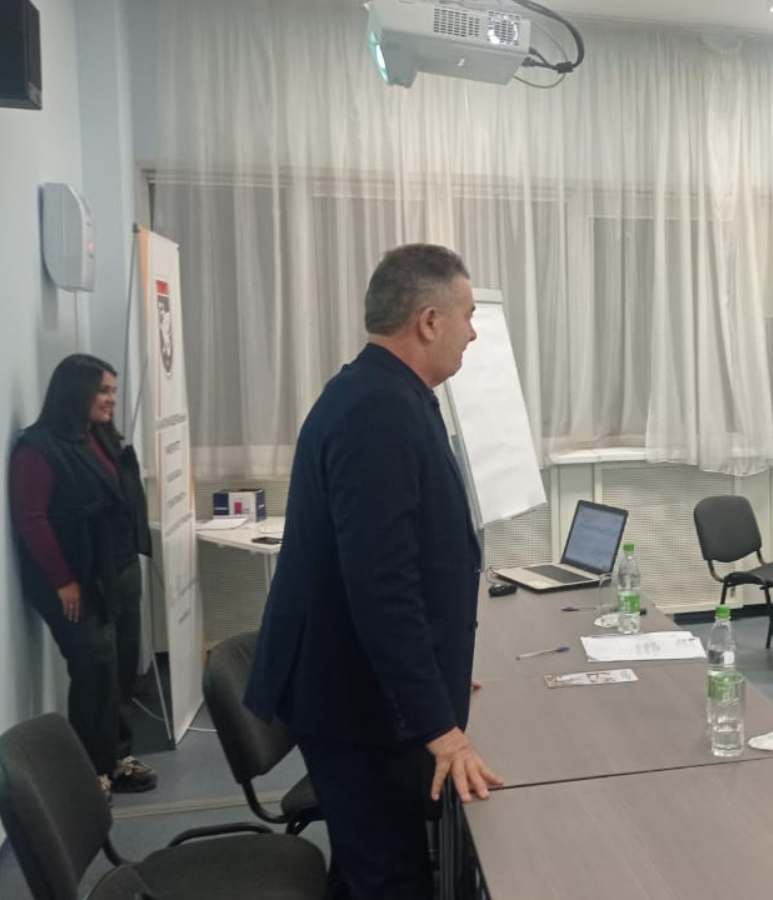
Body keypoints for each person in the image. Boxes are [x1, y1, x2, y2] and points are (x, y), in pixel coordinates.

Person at [245, 244, 500, 899]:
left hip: (358, 689)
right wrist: (440, 729)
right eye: (468, 315)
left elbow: (401, 558)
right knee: (392, 878)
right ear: (429, 321)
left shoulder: (385, 392)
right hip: (352, 704)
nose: (474, 332)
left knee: (370, 867)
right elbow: (382, 588)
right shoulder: (376, 411)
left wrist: (440, 663)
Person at [9, 354, 157, 796]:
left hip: (118, 569)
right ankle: (90, 774)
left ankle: (117, 757)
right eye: (104, 390)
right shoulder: (37, 449)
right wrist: (63, 581)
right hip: (73, 581)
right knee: (95, 670)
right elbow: (32, 520)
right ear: (77, 392)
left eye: (113, 390)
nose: (112, 399)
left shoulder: (99, 435)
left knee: (122, 668)